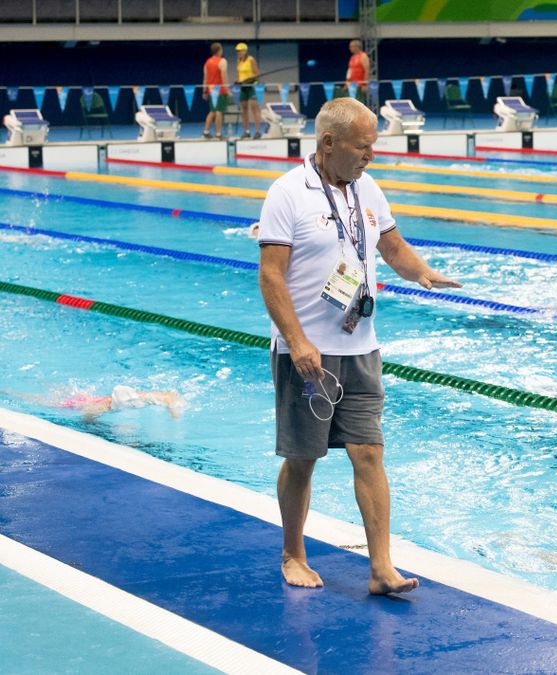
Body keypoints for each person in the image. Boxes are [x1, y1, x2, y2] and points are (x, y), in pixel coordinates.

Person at [257, 97, 461, 595]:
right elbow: (270, 276)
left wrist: (422, 272)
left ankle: (381, 569)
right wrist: (298, 342)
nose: (371, 155)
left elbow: (390, 245)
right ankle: (292, 553)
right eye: (363, 146)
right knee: (304, 458)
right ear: (329, 144)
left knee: (369, 452)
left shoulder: (367, 187)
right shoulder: (287, 193)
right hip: (306, 355)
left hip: (361, 348)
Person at [57, 385, 184, 419]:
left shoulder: (140, 397)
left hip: (97, 399)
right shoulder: (104, 407)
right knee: (56, 403)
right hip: (87, 403)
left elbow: (169, 396)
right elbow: (87, 416)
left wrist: (174, 412)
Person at [201, 42, 230, 140]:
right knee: (219, 112)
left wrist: (204, 91)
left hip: (211, 89)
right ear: (219, 50)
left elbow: (205, 78)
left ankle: (206, 131)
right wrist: (227, 89)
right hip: (220, 89)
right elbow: (224, 76)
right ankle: (218, 134)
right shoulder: (223, 61)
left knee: (212, 111)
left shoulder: (207, 62)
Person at [234, 42, 262, 139]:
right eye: (237, 51)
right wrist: (238, 81)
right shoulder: (239, 61)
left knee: (254, 108)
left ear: (245, 51)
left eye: (240, 51)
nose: (238, 53)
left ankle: (258, 131)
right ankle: (246, 131)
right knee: (244, 110)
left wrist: (249, 79)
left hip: (252, 86)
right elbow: (239, 75)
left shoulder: (251, 60)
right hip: (243, 87)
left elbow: (257, 74)